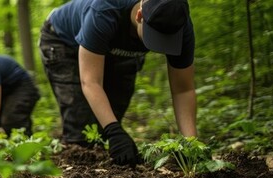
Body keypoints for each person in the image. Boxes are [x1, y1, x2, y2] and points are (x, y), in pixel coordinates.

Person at [40, 0, 196, 165]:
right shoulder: (105, 10)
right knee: (83, 133)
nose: (160, 46)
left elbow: (183, 90)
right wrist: (114, 131)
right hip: (63, 41)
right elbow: (91, 81)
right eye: (155, 37)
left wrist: (191, 146)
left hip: (117, 49)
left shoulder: (180, 24)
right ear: (139, 16)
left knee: (108, 122)